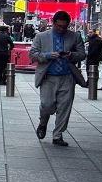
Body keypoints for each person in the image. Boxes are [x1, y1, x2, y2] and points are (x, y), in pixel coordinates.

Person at [30, 11, 87, 146]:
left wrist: (71, 55)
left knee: (64, 107)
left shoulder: (75, 36)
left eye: (64, 27)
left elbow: (82, 54)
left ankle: (58, 135)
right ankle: (43, 123)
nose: (61, 29)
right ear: (53, 23)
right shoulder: (41, 36)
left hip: (67, 77)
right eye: (59, 26)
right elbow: (32, 54)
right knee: (47, 105)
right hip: (48, 77)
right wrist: (48, 55)